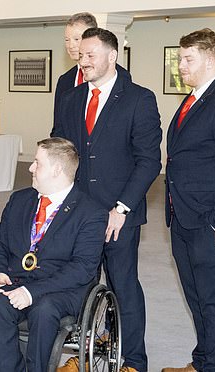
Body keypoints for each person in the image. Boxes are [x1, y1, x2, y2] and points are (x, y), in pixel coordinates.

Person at [52, 28, 162, 372]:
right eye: (80, 55)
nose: (82, 62)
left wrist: (122, 208)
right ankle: (81, 355)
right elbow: (63, 151)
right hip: (79, 215)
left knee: (123, 286)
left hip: (119, 214)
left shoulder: (139, 98)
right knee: (78, 285)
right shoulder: (71, 99)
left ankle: (134, 361)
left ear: (112, 56)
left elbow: (149, 161)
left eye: (90, 55)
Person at [163, 28, 215, 372]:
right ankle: (202, 362)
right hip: (182, 217)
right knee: (196, 299)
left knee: (214, 302)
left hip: (211, 223)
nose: (180, 66)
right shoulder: (193, 98)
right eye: (180, 59)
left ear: (210, 59)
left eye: (188, 59)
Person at [0, 137, 107, 372]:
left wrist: (31, 292)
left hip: (62, 289)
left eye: (37, 163)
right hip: (17, 280)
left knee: (44, 310)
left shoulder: (91, 212)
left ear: (57, 170)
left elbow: (82, 268)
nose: (30, 167)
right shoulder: (19, 200)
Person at [53, 12, 130, 114]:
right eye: (67, 40)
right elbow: (58, 124)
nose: (70, 45)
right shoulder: (64, 80)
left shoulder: (121, 76)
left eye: (77, 39)